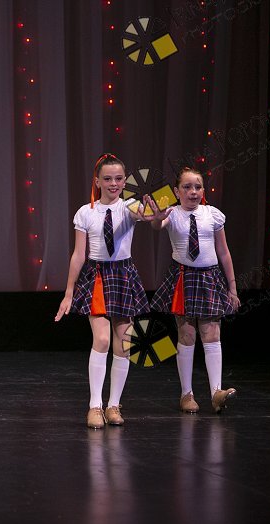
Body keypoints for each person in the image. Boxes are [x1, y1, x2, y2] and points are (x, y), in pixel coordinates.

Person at [55, 154, 155, 429]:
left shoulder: (129, 206)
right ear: (97, 181)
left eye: (119, 179)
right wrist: (68, 292)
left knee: (124, 343)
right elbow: (79, 254)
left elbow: (145, 216)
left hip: (123, 275)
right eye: (108, 179)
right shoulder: (86, 212)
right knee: (101, 340)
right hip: (97, 276)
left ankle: (114, 405)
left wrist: (152, 213)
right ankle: (95, 406)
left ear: (125, 181)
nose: (114, 183)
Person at [149, 167, 240, 414]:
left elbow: (224, 252)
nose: (193, 192)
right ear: (176, 191)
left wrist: (232, 287)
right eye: (187, 187)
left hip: (209, 277)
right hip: (183, 278)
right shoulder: (172, 214)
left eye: (197, 187)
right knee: (187, 334)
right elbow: (157, 225)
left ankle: (216, 393)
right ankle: (186, 394)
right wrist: (157, 217)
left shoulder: (212, 214)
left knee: (212, 333)